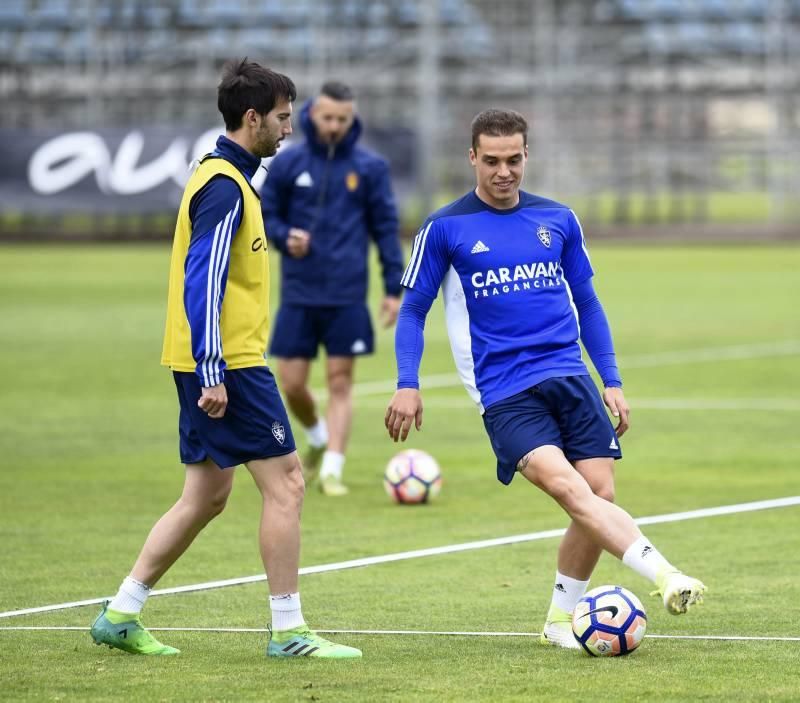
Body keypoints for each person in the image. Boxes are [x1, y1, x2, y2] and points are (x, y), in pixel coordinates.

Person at [384, 108, 706, 649]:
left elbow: (589, 302)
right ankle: (667, 575)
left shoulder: (558, 220)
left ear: (527, 156)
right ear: (472, 158)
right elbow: (413, 310)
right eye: (491, 161)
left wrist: (612, 378)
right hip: (506, 388)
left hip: (570, 375)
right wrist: (406, 381)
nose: (503, 171)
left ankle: (559, 620)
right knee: (573, 491)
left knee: (599, 493)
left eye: (513, 160)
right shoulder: (444, 228)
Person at [90, 59, 361, 659]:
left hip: (206, 361)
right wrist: (214, 368)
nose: (290, 130)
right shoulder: (223, 185)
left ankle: (121, 611)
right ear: (253, 118)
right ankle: (288, 631)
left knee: (206, 495)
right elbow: (203, 279)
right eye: (284, 119)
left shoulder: (229, 177)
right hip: (227, 365)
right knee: (288, 484)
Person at [261, 80, 404, 497]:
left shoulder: (370, 168)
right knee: (290, 383)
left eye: (343, 119)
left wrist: (393, 288)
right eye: (327, 117)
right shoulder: (287, 165)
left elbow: (385, 228)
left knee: (341, 383)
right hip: (299, 294)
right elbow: (266, 215)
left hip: (346, 295)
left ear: (351, 119)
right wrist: (286, 237)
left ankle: (332, 471)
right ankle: (318, 435)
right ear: (311, 116)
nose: (334, 126)